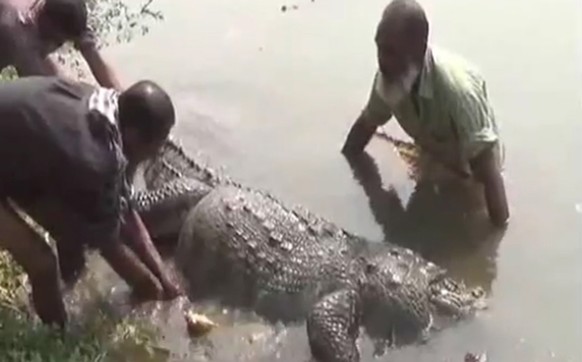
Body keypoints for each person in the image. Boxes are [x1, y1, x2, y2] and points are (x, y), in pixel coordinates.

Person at [0, 75, 181, 328]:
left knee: (68, 224)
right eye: (158, 143)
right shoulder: (95, 160)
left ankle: (67, 289)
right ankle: (59, 339)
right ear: (134, 135)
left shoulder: (102, 105)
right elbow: (109, 242)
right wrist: (150, 289)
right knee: (42, 264)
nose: (159, 152)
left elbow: (122, 208)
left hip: (15, 154)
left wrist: (163, 275)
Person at [341, 0, 509, 227]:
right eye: (379, 48)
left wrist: (492, 250)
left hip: (474, 164)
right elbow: (362, 130)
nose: (382, 61)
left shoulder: (457, 93)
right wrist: (347, 180)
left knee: (467, 227)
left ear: (419, 50)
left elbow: (490, 178)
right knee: (398, 226)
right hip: (434, 151)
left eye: (391, 52)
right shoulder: (389, 79)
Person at [0, 0, 122, 90]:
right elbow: (63, 93)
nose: (52, 49)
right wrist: (90, 50)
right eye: (58, 42)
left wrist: (87, 45)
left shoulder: (31, 9)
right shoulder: (18, 37)